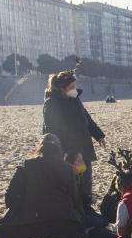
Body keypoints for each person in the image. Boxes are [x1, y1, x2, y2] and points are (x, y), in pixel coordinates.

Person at [0, 134, 84, 238]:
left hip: (34, 225)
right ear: (59, 150)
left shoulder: (26, 167)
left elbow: (10, 199)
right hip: (67, 225)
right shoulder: (68, 169)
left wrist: (20, 208)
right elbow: (76, 200)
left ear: (40, 148)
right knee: (69, 216)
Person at [43, 70, 106, 199]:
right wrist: (69, 152)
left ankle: (86, 205)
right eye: (71, 87)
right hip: (67, 153)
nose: (74, 90)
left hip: (84, 148)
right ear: (62, 89)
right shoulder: (52, 104)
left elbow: (86, 118)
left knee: (86, 180)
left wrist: (99, 135)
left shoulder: (75, 99)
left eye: (75, 86)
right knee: (72, 184)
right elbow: (52, 131)